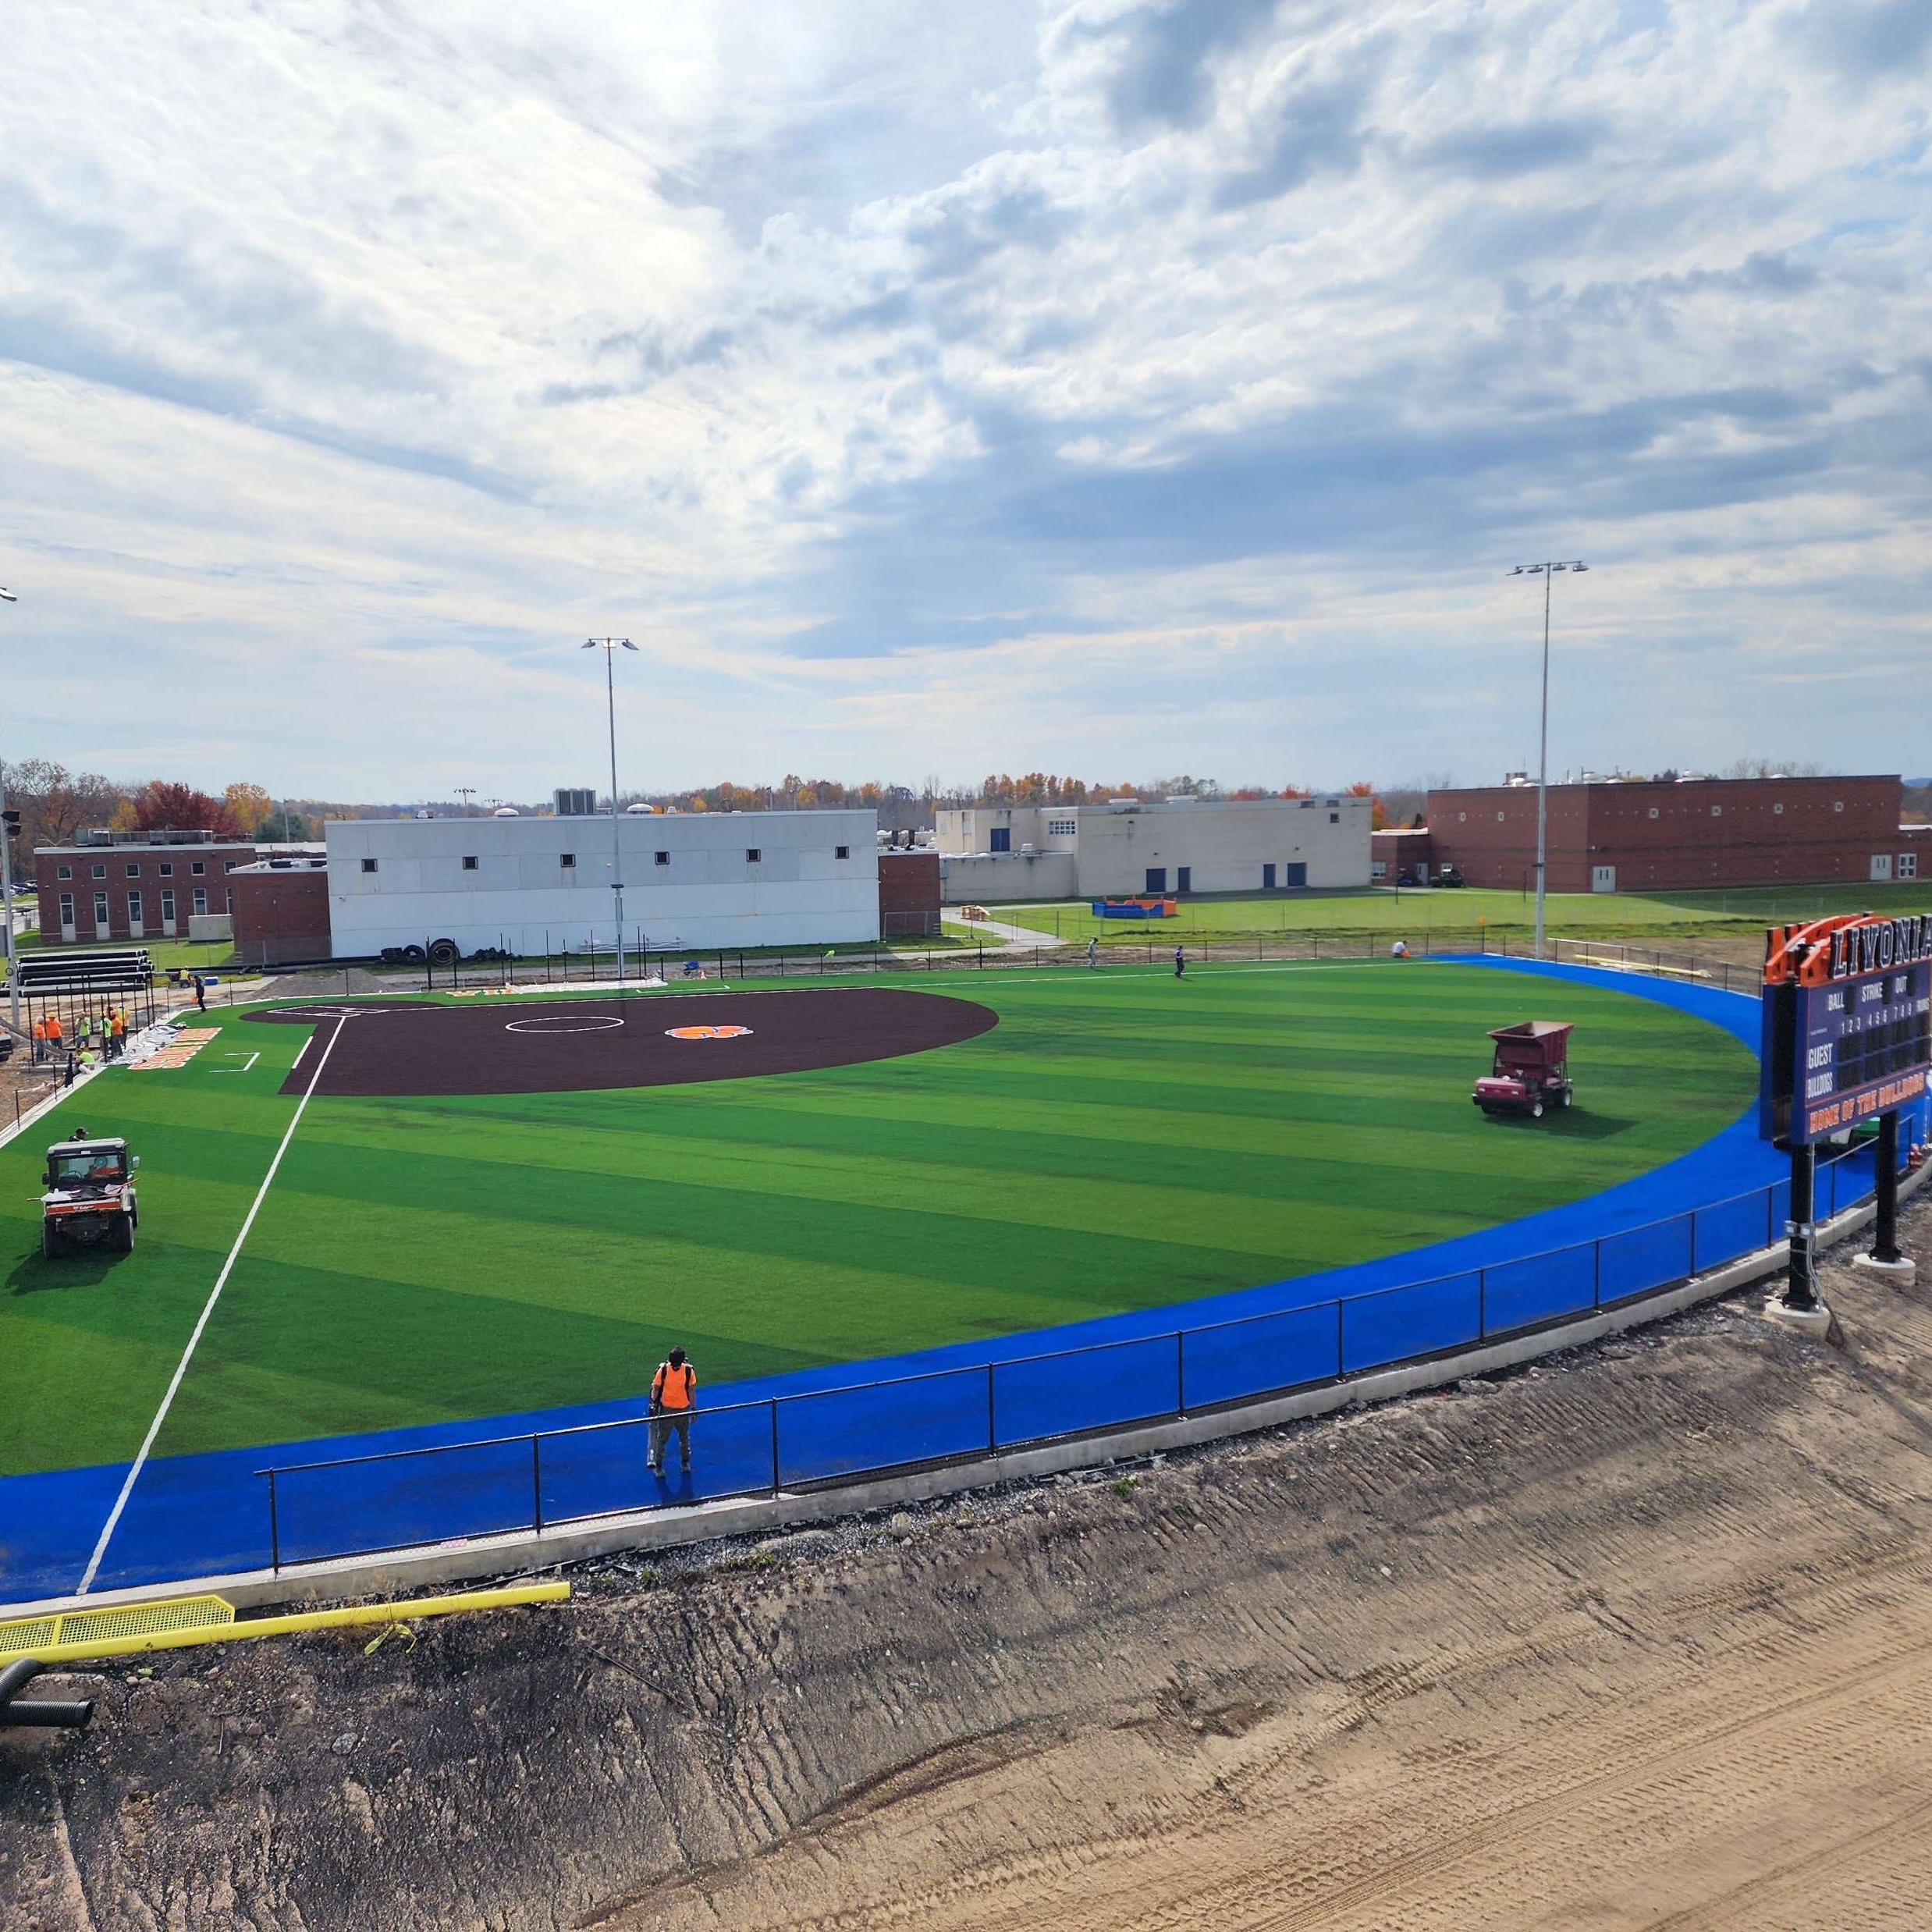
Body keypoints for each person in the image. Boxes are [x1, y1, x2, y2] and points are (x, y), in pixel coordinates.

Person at [648, 1346, 697, 1474]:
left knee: (662, 1439)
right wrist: (693, 1408)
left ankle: (659, 1467)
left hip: (668, 1410)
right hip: (682, 1410)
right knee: (684, 1437)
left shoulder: (664, 1370)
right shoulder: (688, 1370)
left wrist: (653, 1403)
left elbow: (656, 1387)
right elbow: (691, 1390)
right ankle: (685, 1463)